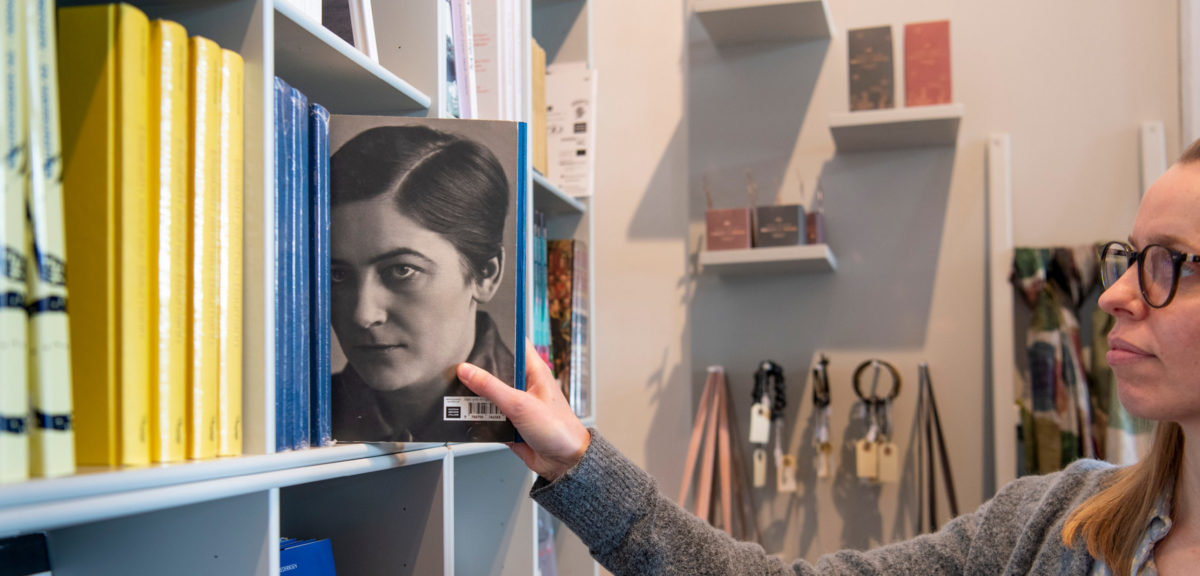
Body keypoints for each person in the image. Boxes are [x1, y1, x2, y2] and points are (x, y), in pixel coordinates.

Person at [456, 137, 1200, 575]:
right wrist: (577, 461)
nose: (1116, 294)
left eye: (1169, 262)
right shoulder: (1055, 525)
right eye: (1130, 257)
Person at [330, 124, 515, 443]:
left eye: (401, 270)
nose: (363, 315)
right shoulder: (299, 418)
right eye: (338, 275)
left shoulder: (531, 418)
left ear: (485, 274)